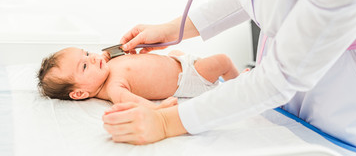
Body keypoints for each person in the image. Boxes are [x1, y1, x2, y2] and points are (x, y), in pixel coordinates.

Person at [102, 0, 356, 148]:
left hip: (339, 95)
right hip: (279, 89)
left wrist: (167, 121)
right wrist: (173, 29)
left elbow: (281, 76)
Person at [37, 47, 239, 108]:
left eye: (87, 53)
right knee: (222, 60)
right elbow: (136, 103)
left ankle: (229, 81)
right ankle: (239, 84)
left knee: (176, 51)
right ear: (80, 93)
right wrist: (161, 108)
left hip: (178, 61)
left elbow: (116, 55)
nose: (92, 59)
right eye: (83, 66)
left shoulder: (103, 67)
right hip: (188, 77)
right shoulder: (114, 88)